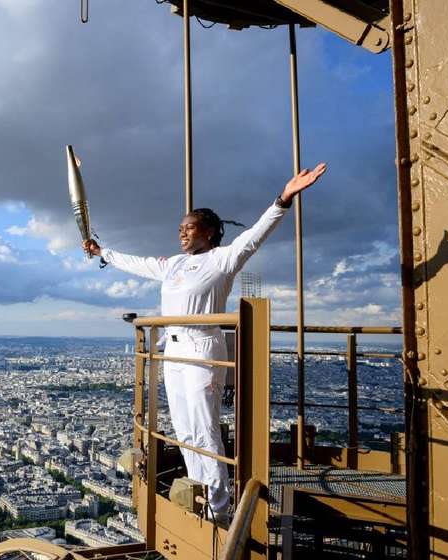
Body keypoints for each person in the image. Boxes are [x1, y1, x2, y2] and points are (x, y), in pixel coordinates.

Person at [83, 163, 327, 523]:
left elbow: (255, 236)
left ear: (209, 232)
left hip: (201, 348)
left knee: (204, 427)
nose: (182, 232)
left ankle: (219, 506)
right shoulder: (174, 264)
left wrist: (284, 198)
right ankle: (199, 489)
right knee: (184, 428)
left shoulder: (222, 259)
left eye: (189, 227)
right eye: (180, 228)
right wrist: (103, 252)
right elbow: (138, 262)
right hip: (175, 351)